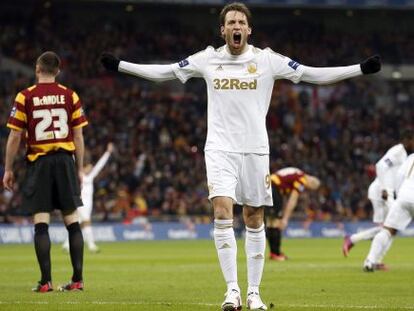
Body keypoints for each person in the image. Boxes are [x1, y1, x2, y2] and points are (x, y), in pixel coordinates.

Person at [100, 2, 381, 309]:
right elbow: (165, 72)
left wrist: (359, 69)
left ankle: (254, 292)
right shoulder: (207, 58)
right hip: (219, 148)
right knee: (222, 211)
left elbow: (313, 75)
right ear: (223, 30)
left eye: (241, 22)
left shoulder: (267, 60)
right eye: (231, 22)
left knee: (254, 217)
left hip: (255, 150)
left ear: (249, 29)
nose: (236, 26)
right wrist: (121, 66)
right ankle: (232, 290)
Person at [3, 51, 87, 292]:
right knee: (72, 221)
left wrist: (8, 169)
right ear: (58, 71)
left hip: (39, 162)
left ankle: (45, 282)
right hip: (64, 160)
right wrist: (79, 168)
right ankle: (78, 280)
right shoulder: (70, 95)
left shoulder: (24, 96)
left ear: (37, 69)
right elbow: (79, 136)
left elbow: (15, 135)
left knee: (41, 221)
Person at [342, 134, 414, 264]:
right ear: (408, 140)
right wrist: (384, 188)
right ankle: (354, 242)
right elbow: (380, 166)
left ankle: (372, 258)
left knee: (388, 228)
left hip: (389, 192)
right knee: (389, 228)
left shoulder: (405, 155)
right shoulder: (398, 151)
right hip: (382, 192)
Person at [363, 151, 414, 272]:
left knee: (388, 230)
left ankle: (370, 261)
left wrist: (399, 193)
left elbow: (400, 176)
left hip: (404, 195)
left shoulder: (411, 157)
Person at [62, 143, 114, 253]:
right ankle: (91, 245)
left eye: (90, 168)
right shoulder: (80, 176)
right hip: (80, 202)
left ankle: (66, 244)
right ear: (83, 168)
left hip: (87, 203)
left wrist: (107, 153)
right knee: (86, 221)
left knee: (77, 223)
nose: (90, 169)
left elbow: (99, 166)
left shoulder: (89, 177)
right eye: (88, 168)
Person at [266, 167, 320, 261]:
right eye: (309, 187)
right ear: (310, 182)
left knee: (271, 222)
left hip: (268, 185)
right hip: (274, 188)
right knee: (276, 223)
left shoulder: (298, 173)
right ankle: (276, 253)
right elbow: (293, 199)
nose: (306, 188)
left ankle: (274, 253)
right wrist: (285, 219)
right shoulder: (302, 179)